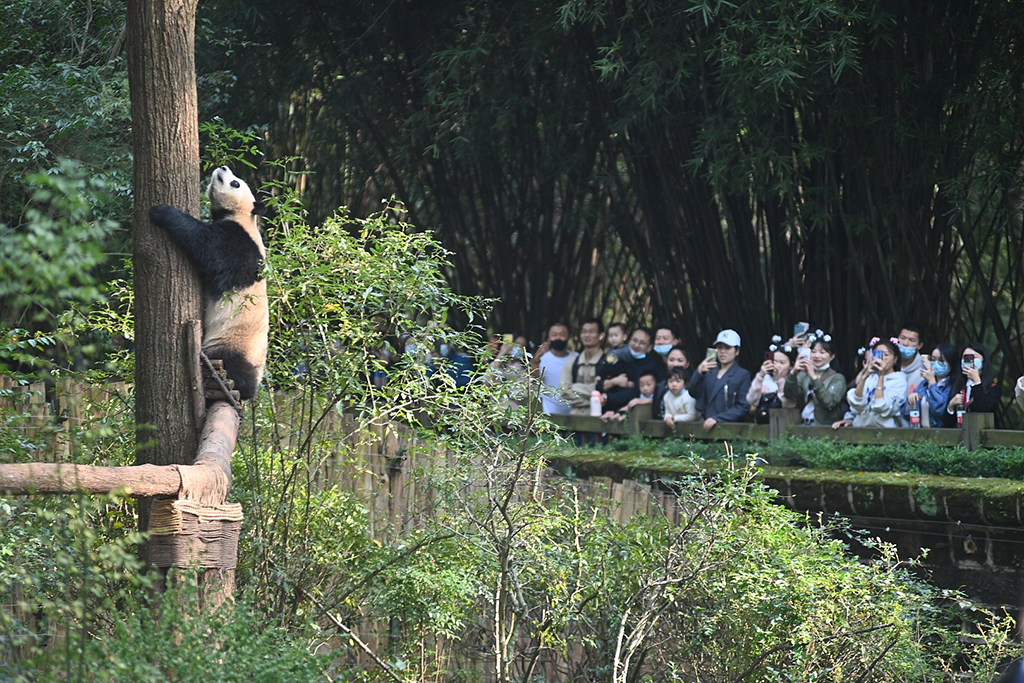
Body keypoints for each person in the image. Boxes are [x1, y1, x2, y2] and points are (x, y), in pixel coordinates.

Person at [833, 338, 907, 429]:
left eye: (886, 355)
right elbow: (857, 404)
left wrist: (881, 376)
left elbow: (881, 407)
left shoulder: (899, 380)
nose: (882, 358)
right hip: (861, 430)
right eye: (878, 354)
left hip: (886, 433)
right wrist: (865, 376)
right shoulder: (870, 378)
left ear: (895, 359)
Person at [688, 329, 752, 432]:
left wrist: (718, 419)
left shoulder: (742, 375)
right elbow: (693, 392)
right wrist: (699, 372)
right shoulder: (709, 371)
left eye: (727, 348)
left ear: (737, 351)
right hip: (705, 428)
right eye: (719, 347)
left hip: (731, 429)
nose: (723, 351)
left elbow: (743, 407)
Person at [596, 327, 667, 413]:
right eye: (634, 340)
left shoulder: (653, 365)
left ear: (649, 347)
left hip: (633, 410)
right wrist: (614, 381)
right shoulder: (618, 357)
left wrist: (608, 398)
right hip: (605, 408)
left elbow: (637, 390)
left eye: (642, 343)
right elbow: (599, 383)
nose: (636, 345)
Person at [785, 336, 847, 427]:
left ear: (832, 356)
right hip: (803, 424)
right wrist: (793, 372)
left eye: (822, 352)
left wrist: (814, 377)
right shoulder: (803, 375)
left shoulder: (838, 378)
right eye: (813, 352)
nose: (817, 356)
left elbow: (828, 402)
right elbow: (789, 394)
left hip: (825, 427)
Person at [947, 342, 1002, 425]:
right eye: (965, 357)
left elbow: (982, 409)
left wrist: (976, 381)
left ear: (983, 362)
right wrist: (951, 406)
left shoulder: (994, 389)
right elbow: (947, 423)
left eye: (973, 357)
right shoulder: (956, 386)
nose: (969, 360)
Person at [904, 342, 957, 428]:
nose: (935, 363)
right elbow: (905, 414)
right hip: (920, 433)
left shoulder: (954, 386)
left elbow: (939, 410)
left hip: (943, 434)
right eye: (933, 359)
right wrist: (911, 401)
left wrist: (932, 382)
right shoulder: (923, 385)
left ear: (951, 363)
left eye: (941, 360)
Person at [560, 318, 606, 415]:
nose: (587, 335)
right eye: (584, 332)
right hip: (574, 420)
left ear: (601, 335)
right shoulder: (571, 363)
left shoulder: (607, 363)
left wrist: (574, 388)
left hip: (600, 421)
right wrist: (594, 400)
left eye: (591, 332)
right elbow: (564, 392)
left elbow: (609, 392)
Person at [530, 322, 577, 414]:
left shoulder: (577, 358)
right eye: (554, 335)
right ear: (548, 338)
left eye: (562, 334)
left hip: (573, 413)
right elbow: (533, 381)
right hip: (548, 413)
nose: (558, 338)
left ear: (569, 337)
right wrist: (536, 360)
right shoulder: (542, 359)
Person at [747, 345, 797, 424]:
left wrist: (780, 380)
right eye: (774, 361)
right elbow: (752, 401)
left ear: (791, 365)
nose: (776, 365)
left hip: (785, 426)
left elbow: (789, 405)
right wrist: (760, 375)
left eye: (782, 363)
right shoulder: (765, 380)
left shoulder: (793, 382)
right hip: (763, 425)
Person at [895, 325, 926, 426]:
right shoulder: (886, 366)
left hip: (913, 428)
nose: (905, 343)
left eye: (912, 340)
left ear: (919, 345)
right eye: (902, 338)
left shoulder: (925, 369)